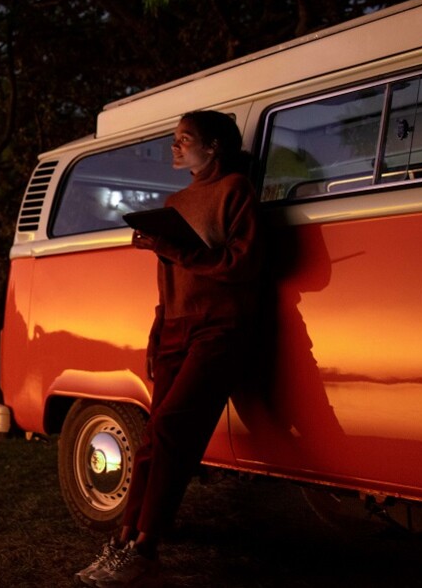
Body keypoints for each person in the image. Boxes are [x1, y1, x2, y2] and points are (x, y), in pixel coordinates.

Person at [77, 110, 264, 587]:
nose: (175, 147)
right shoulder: (175, 201)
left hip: (219, 327)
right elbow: (169, 282)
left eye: (184, 139)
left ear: (214, 146)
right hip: (176, 329)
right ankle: (124, 541)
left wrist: (173, 248)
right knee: (152, 439)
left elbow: (241, 265)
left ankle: (145, 549)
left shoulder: (236, 191)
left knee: (169, 430)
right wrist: (157, 330)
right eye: (175, 139)